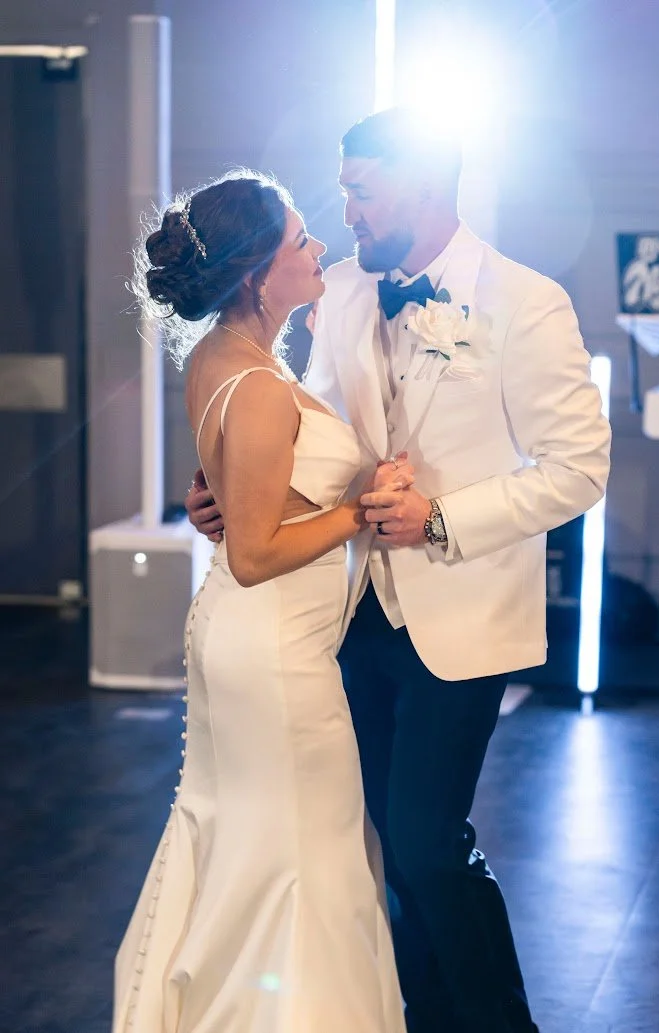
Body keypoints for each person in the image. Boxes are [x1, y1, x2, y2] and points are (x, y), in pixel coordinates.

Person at [187, 109, 612, 1033]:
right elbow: (316, 437)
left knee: (425, 841)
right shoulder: (338, 291)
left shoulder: (524, 301)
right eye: (341, 190)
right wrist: (231, 494)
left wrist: (444, 518)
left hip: (460, 617)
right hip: (344, 613)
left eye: (360, 190)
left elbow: (579, 469)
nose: (345, 210)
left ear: (420, 184)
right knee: (377, 844)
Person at [113, 169, 410, 1033]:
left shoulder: (220, 356)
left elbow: (247, 501)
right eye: (298, 243)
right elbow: (253, 552)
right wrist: (363, 509)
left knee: (255, 838)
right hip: (273, 648)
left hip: (246, 640)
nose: (318, 247)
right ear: (257, 276)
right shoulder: (260, 387)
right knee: (302, 853)